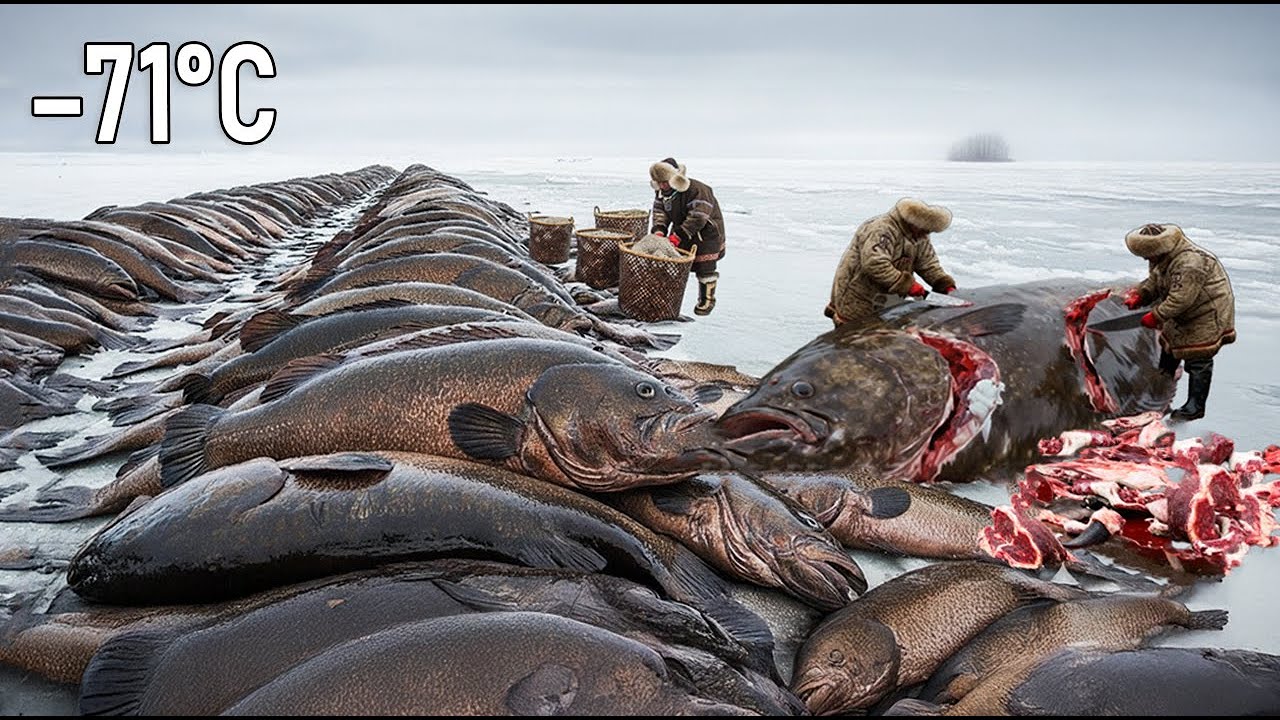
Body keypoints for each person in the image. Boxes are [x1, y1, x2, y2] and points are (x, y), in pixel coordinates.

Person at [1123, 222, 1236, 421]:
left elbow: (1181, 299)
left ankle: (1195, 406)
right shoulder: (1163, 257)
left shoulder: (1189, 263)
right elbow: (1156, 280)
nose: (1145, 259)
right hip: (1183, 311)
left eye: (1147, 255)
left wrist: (1156, 316)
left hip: (1206, 312)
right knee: (1169, 346)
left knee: (1198, 358)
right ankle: (1161, 388)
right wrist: (1141, 294)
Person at [826, 198, 958, 326]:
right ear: (914, 223)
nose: (926, 234)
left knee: (880, 335)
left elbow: (927, 263)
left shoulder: (919, 235)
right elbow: (875, 263)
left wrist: (943, 283)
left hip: (884, 298)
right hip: (858, 294)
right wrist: (907, 285)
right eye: (925, 230)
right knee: (853, 335)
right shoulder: (882, 229)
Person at [648, 158, 726, 316]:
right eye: (659, 182)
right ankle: (667, 296)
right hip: (681, 231)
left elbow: (698, 216)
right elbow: (659, 212)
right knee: (671, 263)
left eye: (665, 182)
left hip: (705, 234)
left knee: (705, 267)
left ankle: (707, 299)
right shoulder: (662, 192)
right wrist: (659, 230)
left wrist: (678, 235)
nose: (663, 186)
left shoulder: (697, 189)